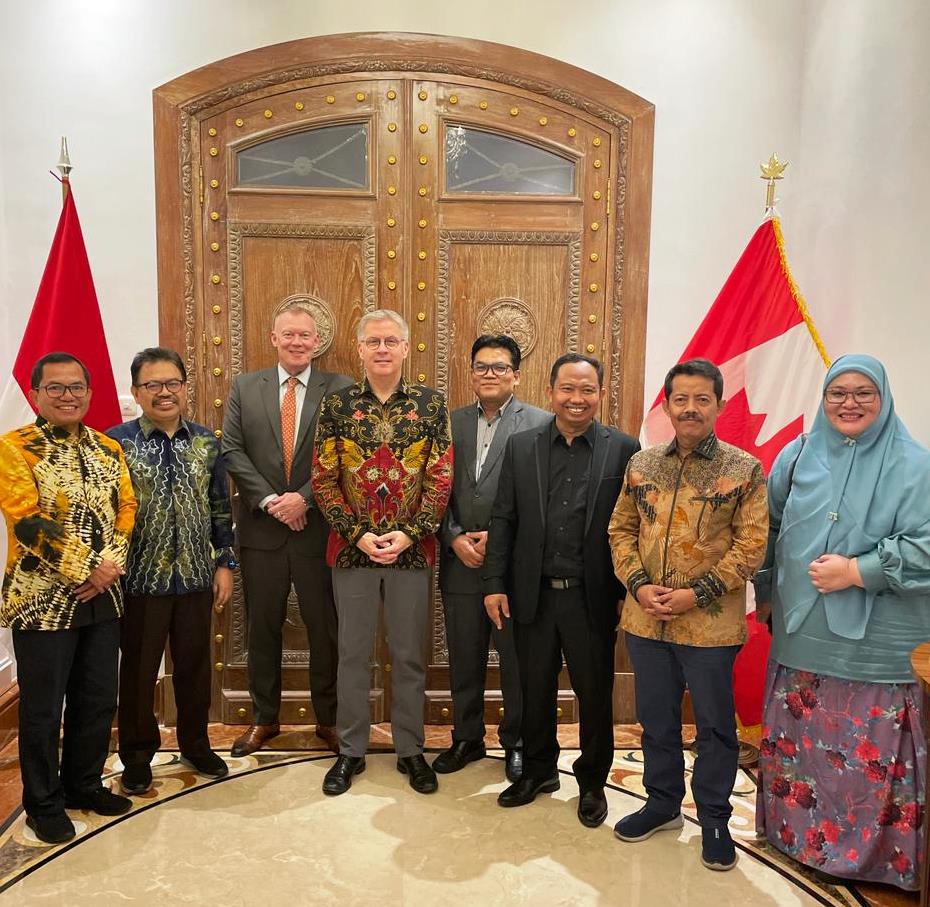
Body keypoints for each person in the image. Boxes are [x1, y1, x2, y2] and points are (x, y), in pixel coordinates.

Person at [754, 354, 930, 891]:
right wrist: (766, 594)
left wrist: (859, 571)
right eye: (838, 393)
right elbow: (771, 527)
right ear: (823, 398)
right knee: (804, 745)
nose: (849, 403)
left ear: (884, 399)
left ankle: (877, 861)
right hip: (802, 631)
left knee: (870, 753)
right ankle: (796, 840)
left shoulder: (916, 466)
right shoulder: (798, 454)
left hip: (879, 642)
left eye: (863, 393)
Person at [609, 357, 767, 871]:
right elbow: (620, 531)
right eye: (682, 399)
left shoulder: (743, 469)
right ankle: (661, 804)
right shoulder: (643, 464)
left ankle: (716, 818)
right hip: (646, 619)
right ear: (668, 404)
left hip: (710, 625)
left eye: (702, 399)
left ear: (718, 405)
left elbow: (752, 546)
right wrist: (637, 585)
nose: (691, 409)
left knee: (715, 727)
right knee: (655, 718)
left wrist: (693, 593)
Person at [483, 353, 639, 827]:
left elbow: (632, 524)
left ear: (600, 394)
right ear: (551, 392)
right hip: (532, 592)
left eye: (587, 390)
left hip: (591, 596)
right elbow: (503, 518)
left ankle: (592, 782)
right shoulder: (522, 444)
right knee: (533, 690)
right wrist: (494, 582)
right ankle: (537, 771)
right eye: (568, 389)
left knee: (594, 693)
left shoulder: (624, 449)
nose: (577, 399)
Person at [312, 309, 453, 796]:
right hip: (352, 552)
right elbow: (324, 479)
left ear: (407, 347)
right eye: (374, 341)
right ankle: (350, 751)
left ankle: (411, 749)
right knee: (351, 655)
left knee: (409, 656)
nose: (383, 349)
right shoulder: (336, 406)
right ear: (359, 348)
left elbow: (439, 478)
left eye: (392, 340)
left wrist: (411, 533)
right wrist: (357, 534)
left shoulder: (432, 406)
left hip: (413, 553)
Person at [0, 353, 137, 844]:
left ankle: (84, 784)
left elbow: (127, 509)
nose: (67, 396)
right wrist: (87, 567)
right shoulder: (15, 448)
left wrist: (108, 568)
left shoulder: (107, 448)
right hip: (42, 599)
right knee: (43, 706)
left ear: (89, 393)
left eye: (76, 387)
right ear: (36, 394)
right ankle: (43, 803)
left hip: (104, 597)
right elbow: (28, 520)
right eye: (55, 388)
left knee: (98, 697)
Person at [222, 300, 352, 756]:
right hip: (262, 531)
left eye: (306, 335)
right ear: (273, 338)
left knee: (325, 628)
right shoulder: (245, 386)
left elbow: (346, 453)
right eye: (289, 334)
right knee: (262, 628)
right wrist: (273, 501)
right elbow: (233, 451)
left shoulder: (341, 389)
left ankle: (330, 720)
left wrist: (305, 497)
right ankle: (265, 719)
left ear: (317, 342)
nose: (298, 342)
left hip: (319, 531)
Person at [108, 347, 235, 794]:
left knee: (195, 667)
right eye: (153, 385)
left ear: (185, 388)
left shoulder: (205, 441)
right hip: (139, 580)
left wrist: (225, 562)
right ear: (136, 392)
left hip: (196, 577)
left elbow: (220, 507)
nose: (165, 393)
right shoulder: (116, 443)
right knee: (139, 671)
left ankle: (196, 745)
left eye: (173, 384)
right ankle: (138, 755)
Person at [435, 335, 549, 782]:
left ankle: (516, 741)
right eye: (481, 366)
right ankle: (466, 737)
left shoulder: (539, 424)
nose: (490, 374)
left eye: (500, 367)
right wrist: (454, 537)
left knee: (515, 661)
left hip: (510, 567)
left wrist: (498, 541)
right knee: (465, 655)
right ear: (471, 372)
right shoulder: (450, 423)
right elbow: (432, 489)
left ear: (516, 374)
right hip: (460, 560)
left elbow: (541, 499)